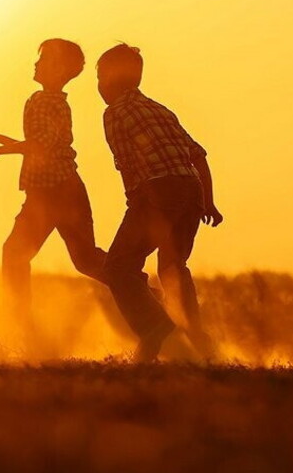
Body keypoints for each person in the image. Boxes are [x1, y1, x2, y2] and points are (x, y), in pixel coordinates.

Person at [0, 39, 107, 338]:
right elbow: (38, 146)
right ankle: (137, 285)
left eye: (43, 59)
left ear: (59, 70)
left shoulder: (49, 102)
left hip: (56, 192)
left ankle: (19, 327)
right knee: (86, 260)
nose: (36, 64)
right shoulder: (43, 99)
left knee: (17, 255)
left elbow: (40, 146)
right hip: (55, 191)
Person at [96, 43, 223, 362]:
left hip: (156, 192)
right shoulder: (160, 109)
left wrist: (137, 205)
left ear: (111, 78)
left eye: (99, 77)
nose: (98, 85)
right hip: (190, 189)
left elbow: (128, 164)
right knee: (173, 267)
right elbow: (198, 156)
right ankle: (197, 337)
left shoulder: (115, 113)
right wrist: (208, 201)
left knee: (118, 267)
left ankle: (156, 331)